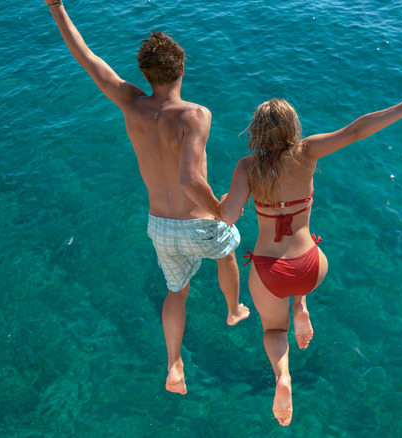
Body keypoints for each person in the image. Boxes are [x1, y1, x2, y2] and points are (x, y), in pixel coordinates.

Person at [43, 1, 250, 395]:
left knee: (177, 292)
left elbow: (87, 57)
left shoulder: (131, 104)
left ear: (144, 74)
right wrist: (221, 211)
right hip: (198, 222)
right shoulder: (195, 115)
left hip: (160, 227)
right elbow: (190, 180)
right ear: (182, 70)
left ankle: (174, 363)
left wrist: (56, 7)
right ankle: (233, 310)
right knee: (226, 251)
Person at [219, 75, 402, 425]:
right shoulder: (307, 152)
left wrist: (220, 202)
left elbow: (228, 216)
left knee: (273, 332)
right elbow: (356, 131)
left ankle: (283, 376)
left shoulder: (248, 167)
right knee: (304, 250)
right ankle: (302, 307)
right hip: (311, 268)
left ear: (257, 132)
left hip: (269, 275)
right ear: (293, 127)